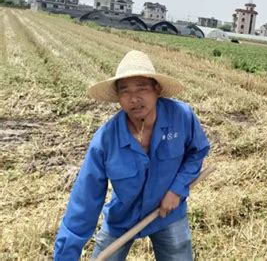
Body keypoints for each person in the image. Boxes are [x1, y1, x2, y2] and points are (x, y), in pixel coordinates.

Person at [53, 50, 210, 260]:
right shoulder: (106, 140)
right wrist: (66, 255)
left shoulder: (181, 116)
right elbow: (85, 200)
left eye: (142, 88)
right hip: (123, 217)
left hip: (168, 213)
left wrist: (177, 189)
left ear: (156, 89)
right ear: (118, 97)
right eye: (125, 91)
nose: (134, 98)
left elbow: (197, 151)